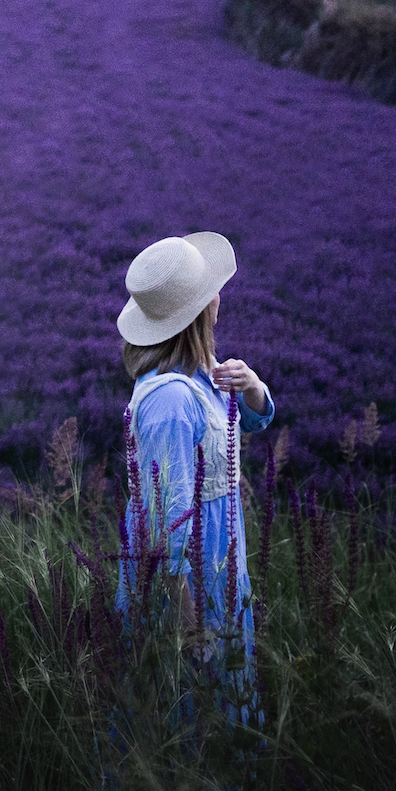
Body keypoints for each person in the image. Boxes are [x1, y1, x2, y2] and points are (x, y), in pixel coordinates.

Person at [115, 231, 275, 709]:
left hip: (218, 561)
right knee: (192, 714)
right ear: (202, 308)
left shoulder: (199, 373)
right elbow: (170, 525)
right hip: (191, 577)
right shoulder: (171, 399)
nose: (220, 295)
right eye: (212, 290)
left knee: (215, 702)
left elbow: (248, 422)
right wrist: (187, 623)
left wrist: (252, 387)